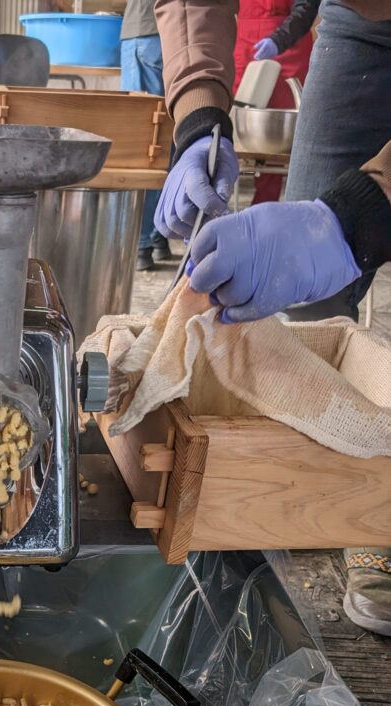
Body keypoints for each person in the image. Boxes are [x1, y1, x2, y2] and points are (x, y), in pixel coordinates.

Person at [151, 0, 391, 633]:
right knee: (306, 301)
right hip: (362, 26)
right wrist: (199, 119)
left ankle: (379, 507)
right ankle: (302, 487)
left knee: (347, 227)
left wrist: (359, 215)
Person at [233, 0, 319, 204]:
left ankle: (265, 205)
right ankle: (218, 200)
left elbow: (307, 7)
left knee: (276, 134)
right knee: (234, 125)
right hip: (244, 44)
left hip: (288, 47)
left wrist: (279, 40)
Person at [120, 0, 173, 271]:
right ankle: (159, 233)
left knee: (144, 141)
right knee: (167, 135)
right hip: (178, 32)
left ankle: (141, 243)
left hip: (145, 29)